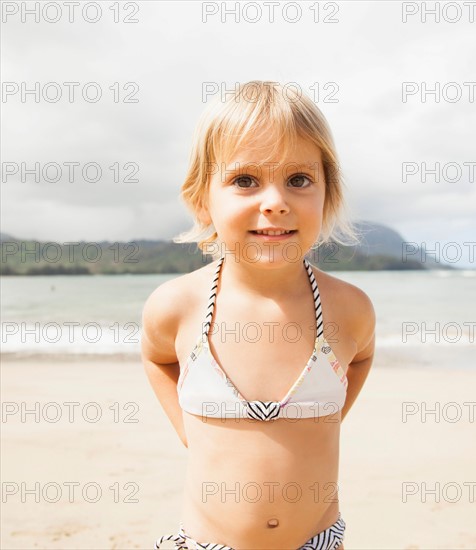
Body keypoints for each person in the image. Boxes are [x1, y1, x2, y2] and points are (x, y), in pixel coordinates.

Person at [141, 81, 376, 550]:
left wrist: (328, 415)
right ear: (202, 197)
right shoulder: (177, 305)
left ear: (328, 194)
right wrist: (187, 428)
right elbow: (157, 358)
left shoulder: (348, 308)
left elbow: (361, 358)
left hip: (318, 540)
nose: (275, 201)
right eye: (245, 180)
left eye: (299, 180)